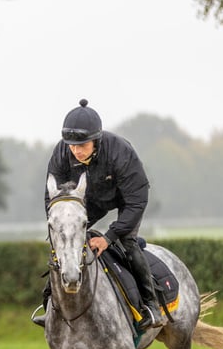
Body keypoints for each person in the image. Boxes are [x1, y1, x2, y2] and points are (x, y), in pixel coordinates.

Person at [33, 98, 165, 331]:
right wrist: (59, 225)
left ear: (96, 140)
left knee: (127, 242)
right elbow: (51, 199)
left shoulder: (120, 152)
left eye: (82, 145)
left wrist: (109, 237)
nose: (76, 151)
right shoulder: (62, 152)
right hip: (86, 201)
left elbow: (137, 201)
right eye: (72, 146)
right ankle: (50, 307)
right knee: (64, 241)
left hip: (126, 199)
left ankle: (151, 304)